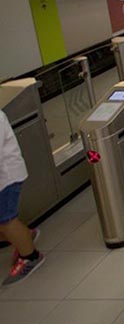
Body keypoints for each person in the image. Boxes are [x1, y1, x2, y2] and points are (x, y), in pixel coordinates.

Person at [0, 111, 43, 286]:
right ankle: (23, 235)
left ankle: (30, 256)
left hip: (7, 178)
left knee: (6, 219)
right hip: (5, 177)